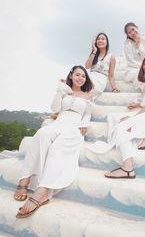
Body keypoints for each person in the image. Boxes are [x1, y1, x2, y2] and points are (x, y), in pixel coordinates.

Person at [14, 65, 93, 218]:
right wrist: (60, 89)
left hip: (75, 126)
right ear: (71, 75)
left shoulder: (88, 96)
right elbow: (54, 108)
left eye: (83, 76)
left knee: (57, 148)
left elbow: (88, 114)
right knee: (41, 134)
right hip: (59, 122)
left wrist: (84, 123)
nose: (80, 78)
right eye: (77, 75)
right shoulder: (64, 91)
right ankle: (24, 180)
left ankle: (42, 191)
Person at [87, 54, 145, 179]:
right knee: (113, 117)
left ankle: (128, 168)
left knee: (122, 127)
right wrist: (136, 104)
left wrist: (133, 117)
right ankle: (118, 141)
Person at [85, 33, 119, 98]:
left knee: (89, 92)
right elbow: (87, 66)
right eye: (98, 39)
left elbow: (111, 76)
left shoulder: (111, 57)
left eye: (103, 39)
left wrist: (114, 88)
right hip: (90, 77)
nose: (100, 40)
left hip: (100, 80)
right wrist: (94, 50)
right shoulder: (94, 54)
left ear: (107, 42)